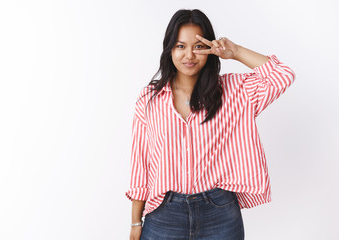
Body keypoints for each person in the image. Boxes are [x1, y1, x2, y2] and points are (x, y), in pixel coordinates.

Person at [125, 9, 295, 240]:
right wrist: (136, 222)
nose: (189, 56)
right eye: (180, 46)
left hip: (219, 212)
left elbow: (282, 74)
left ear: (209, 49)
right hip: (164, 214)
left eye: (198, 46)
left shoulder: (235, 92)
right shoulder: (149, 100)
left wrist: (234, 52)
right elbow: (140, 166)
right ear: (169, 50)